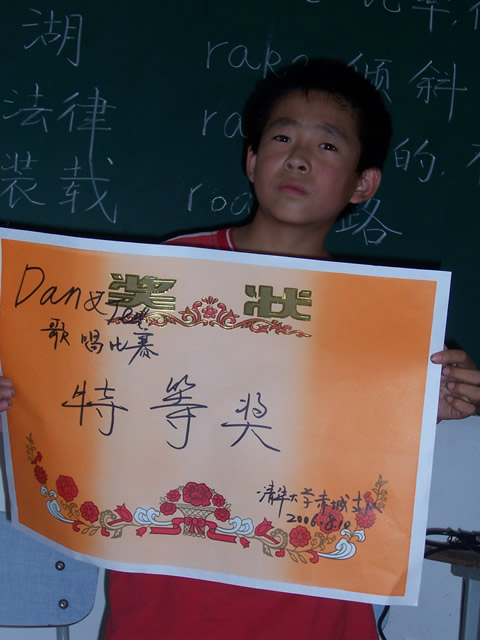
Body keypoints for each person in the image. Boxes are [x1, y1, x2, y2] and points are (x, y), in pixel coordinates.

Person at [1, 58, 479, 639]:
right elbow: (90, 389)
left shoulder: (384, 320)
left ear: (363, 184)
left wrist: (435, 404)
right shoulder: (164, 274)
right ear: (252, 161)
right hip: (164, 607)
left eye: (328, 146)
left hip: (317, 609)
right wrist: (20, 384)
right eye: (281, 138)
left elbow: (363, 440)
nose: (298, 158)